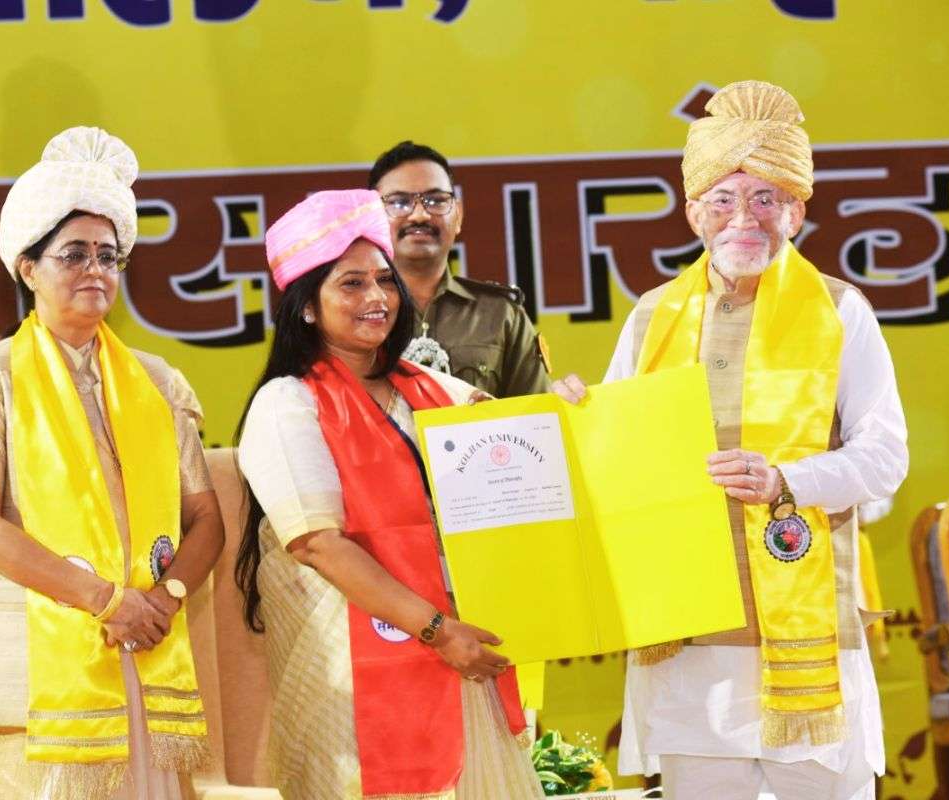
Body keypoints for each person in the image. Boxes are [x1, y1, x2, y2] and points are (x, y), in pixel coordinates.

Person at [552, 81, 908, 800]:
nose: (744, 218)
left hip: (807, 642)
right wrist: (577, 419)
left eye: (767, 198)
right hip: (688, 645)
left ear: (798, 213)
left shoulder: (840, 311)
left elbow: (886, 458)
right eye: (722, 198)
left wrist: (786, 481)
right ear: (692, 213)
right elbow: (613, 469)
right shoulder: (653, 318)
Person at [0, 127, 224, 800]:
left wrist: (163, 597)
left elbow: (205, 517)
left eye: (109, 255)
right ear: (27, 268)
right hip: (33, 675)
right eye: (74, 254)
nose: (96, 269)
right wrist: (105, 600)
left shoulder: (157, 381)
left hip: (147, 658)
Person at [235, 188, 542, 799]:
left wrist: (569, 413)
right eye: (351, 284)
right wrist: (436, 631)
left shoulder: (427, 387)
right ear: (306, 308)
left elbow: (518, 456)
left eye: (384, 280)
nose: (376, 298)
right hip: (355, 678)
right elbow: (319, 544)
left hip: (462, 651)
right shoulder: (286, 404)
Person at [368, 140, 551, 396]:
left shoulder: (500, 315)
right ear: (371, 216)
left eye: (435, 200)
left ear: (459, 215)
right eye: (399, 203)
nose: (419, 215)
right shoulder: (355, 312)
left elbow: (536, 419)